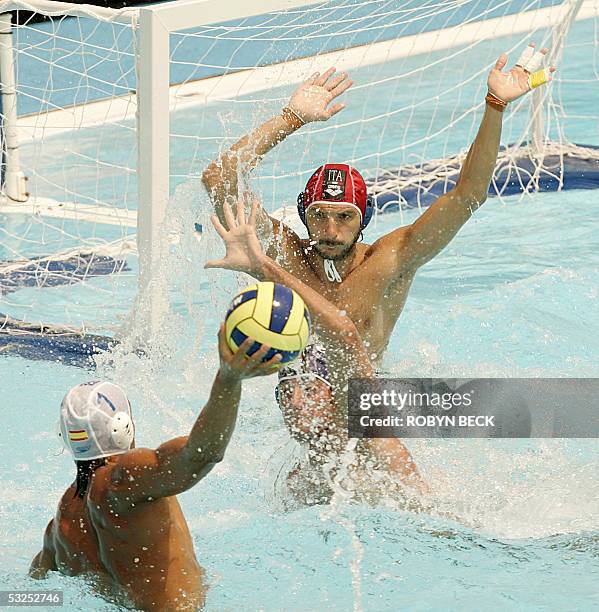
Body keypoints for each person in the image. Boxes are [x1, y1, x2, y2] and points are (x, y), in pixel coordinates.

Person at [202, 46, 557, 366]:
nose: (330, 230)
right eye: (318, 215)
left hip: (365, 400)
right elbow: (219, 179)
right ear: (304, 215)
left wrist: (495, 105)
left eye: (344, 217)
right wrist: (291, 118)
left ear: (364, 219)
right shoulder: (284, 254)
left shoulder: (391, 260)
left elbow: (469, 196)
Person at [29, 332, 281, 611]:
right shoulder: (125, 481)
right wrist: (228, 380)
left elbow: (32, 588)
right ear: (122, 427)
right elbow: (202, 455)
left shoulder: (61, 523)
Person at [206, 197, 425, 506]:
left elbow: (345, 336)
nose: (295, 402)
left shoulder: (367, 435)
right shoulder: (302, 480)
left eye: (307, 389)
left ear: (334, 392)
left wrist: (263, 268)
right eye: (285, 393)